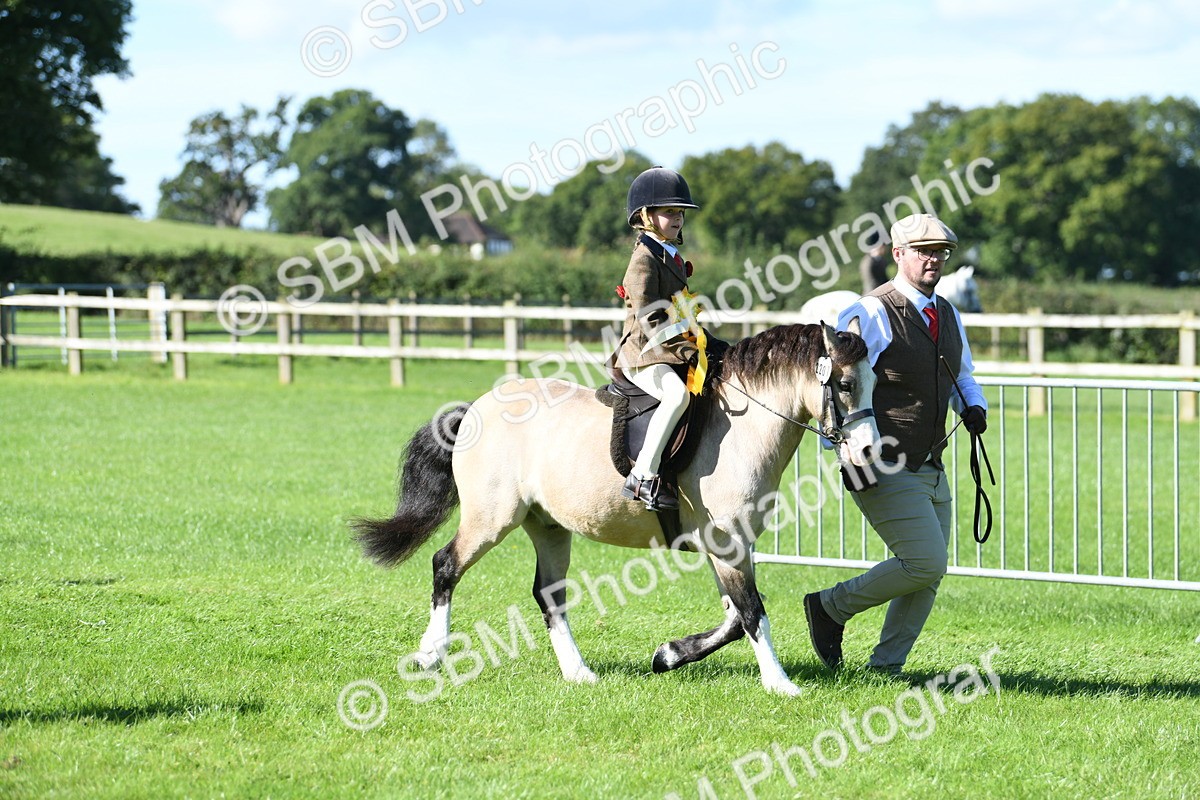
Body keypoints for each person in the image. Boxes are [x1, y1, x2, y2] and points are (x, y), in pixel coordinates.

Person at [804, 212, 989, 677]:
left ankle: (886, 667)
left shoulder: (948, 314)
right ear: (898, 254)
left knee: (927, 573)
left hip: (932, 462)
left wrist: (974, 406)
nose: (933, 260)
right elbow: (838, 385)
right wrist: (843, 452)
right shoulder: (869, 312)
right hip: (881, 462)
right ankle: (830, 607)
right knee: (925, 562)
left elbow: (962, 374)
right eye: (923, 252)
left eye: (941, 252)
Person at [611, 166, 700, 512]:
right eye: (669, 212)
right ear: (646, 216)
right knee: (677, 395)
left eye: (680, 212)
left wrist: (705, 342)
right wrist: (687, 349)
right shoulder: (643, 260)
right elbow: (650, 318)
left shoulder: (669, 255)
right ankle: (643, 477)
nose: (677, 218)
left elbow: (680, 310)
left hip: (669, 349)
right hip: (643, 353)